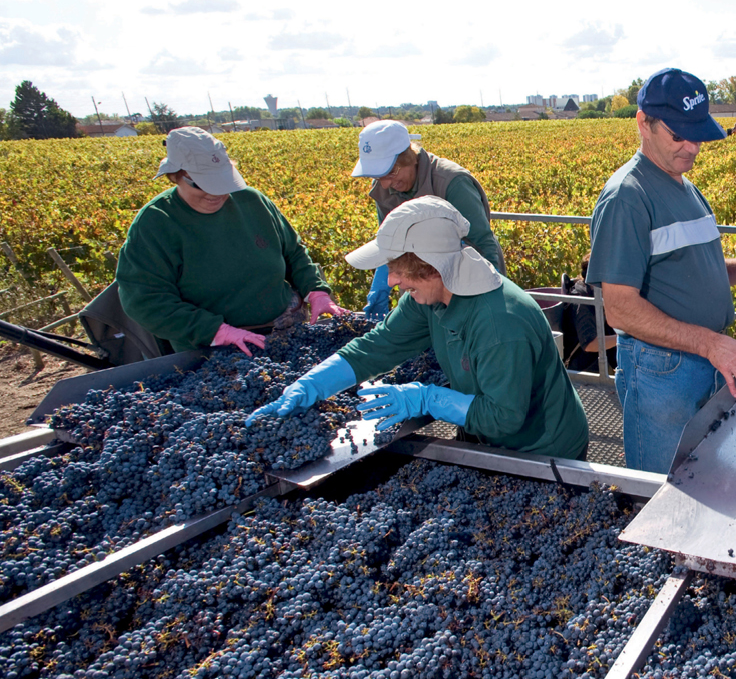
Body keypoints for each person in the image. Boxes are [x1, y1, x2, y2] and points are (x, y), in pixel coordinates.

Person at [586, 68, 736, 473]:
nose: (692, 148)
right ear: (643, 123)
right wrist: (710, 344)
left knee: (701, 479)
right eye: (678, 135)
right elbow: (620, 309)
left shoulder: (685, 186)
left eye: (697, 135)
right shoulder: (628, 197)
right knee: (663, 487)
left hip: (700, 362)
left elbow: (701, 273)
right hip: (662, 372)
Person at [249, 196, 589, 460]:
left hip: (543, 447)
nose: (393, 281)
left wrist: (427, 398)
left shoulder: (499, 324)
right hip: (490, 437)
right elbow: (378, 346)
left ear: (434, 266)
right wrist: (311, 385)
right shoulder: (429, 296)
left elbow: (503, 418)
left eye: (400, 270)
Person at [116, 127, 346, 356]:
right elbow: (145, 301)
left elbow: (294, 253)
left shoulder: (252, 201)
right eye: (201, 184)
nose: (215, 193)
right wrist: (217, 331)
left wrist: (316, 291)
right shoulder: (155, 223)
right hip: (212, 347)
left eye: (222, 182)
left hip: (285, 328)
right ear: (175, 175)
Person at [353, 120, 504, 319]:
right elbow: (390, 241)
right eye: (379, 176)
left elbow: (482, 243)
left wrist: (491, 300)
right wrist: (381, 286)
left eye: (391, 172)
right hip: (418, 286)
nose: (386, 183)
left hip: (463, 280)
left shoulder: (452, 182)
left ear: (409, 157)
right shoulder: (383, 186)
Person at [562, 254, 617, 373]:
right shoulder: (582, 300)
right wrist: (626, 339)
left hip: (594, 365)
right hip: (580, 369)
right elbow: (590, 344)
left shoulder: (597, 294)